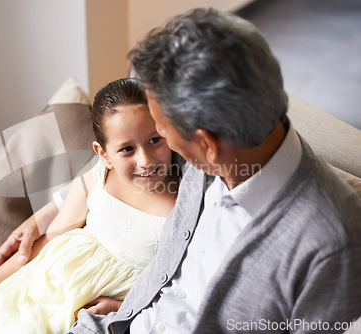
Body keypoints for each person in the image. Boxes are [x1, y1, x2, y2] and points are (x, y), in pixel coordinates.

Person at [69, 8, 361, 334]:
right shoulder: (224, 146)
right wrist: (48, 214)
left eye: (162, 132)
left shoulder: (330, 243)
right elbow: (119, 153)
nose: (160, 145)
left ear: (206, 143)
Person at [0, 78, 181, 333]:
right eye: (126, 149)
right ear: (104, 154)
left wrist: (123, 306)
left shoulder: (185, 202)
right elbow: (47, 243)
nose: (145, 160)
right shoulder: (98, 176)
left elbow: (181, 289)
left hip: (86, 316)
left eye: (155, 140)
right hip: (42, 287)